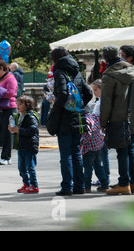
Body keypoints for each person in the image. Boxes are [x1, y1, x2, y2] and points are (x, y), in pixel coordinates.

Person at [49, 47, 93, 196]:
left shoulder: (60, 71)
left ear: (55, 58)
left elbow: (62, 93)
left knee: (66, 154)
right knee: (75, 153)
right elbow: (88, 92)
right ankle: (79, 186)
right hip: (78, 118)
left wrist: (57, 109)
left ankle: (67, 186)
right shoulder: (77, 71)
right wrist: (78, 106)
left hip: (65, 119)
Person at [100, 45, 134, 195]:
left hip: (118, 118)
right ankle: (132, 182)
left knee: (122, 150)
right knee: (131, 149)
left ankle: (123, 183)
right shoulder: (132, 70)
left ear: (105, 58)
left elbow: (106, 102)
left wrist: (102, 122)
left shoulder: (110, 75)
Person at [80, 79, 108, 193]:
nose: (94, 92)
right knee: (98, 165)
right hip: (98, 144)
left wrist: (81, 144)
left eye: (95, 90)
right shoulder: (93, 117)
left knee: (87, 167)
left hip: (89, 147)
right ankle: (104, 183)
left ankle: (86, 186)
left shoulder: (86, 120)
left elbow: (87, 134)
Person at [9, 95, 39, 194]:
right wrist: (13, 130)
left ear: (27, 105)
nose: (17, 106)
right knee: (21, 168)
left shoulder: (30, 116)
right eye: (17, 103)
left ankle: (34, 185)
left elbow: (33, 130)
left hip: (29, 146)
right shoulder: (20, 116)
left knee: (29, 167)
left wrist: (19, 130)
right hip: (21, 146)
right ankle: (26, 183)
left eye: (20, 104)